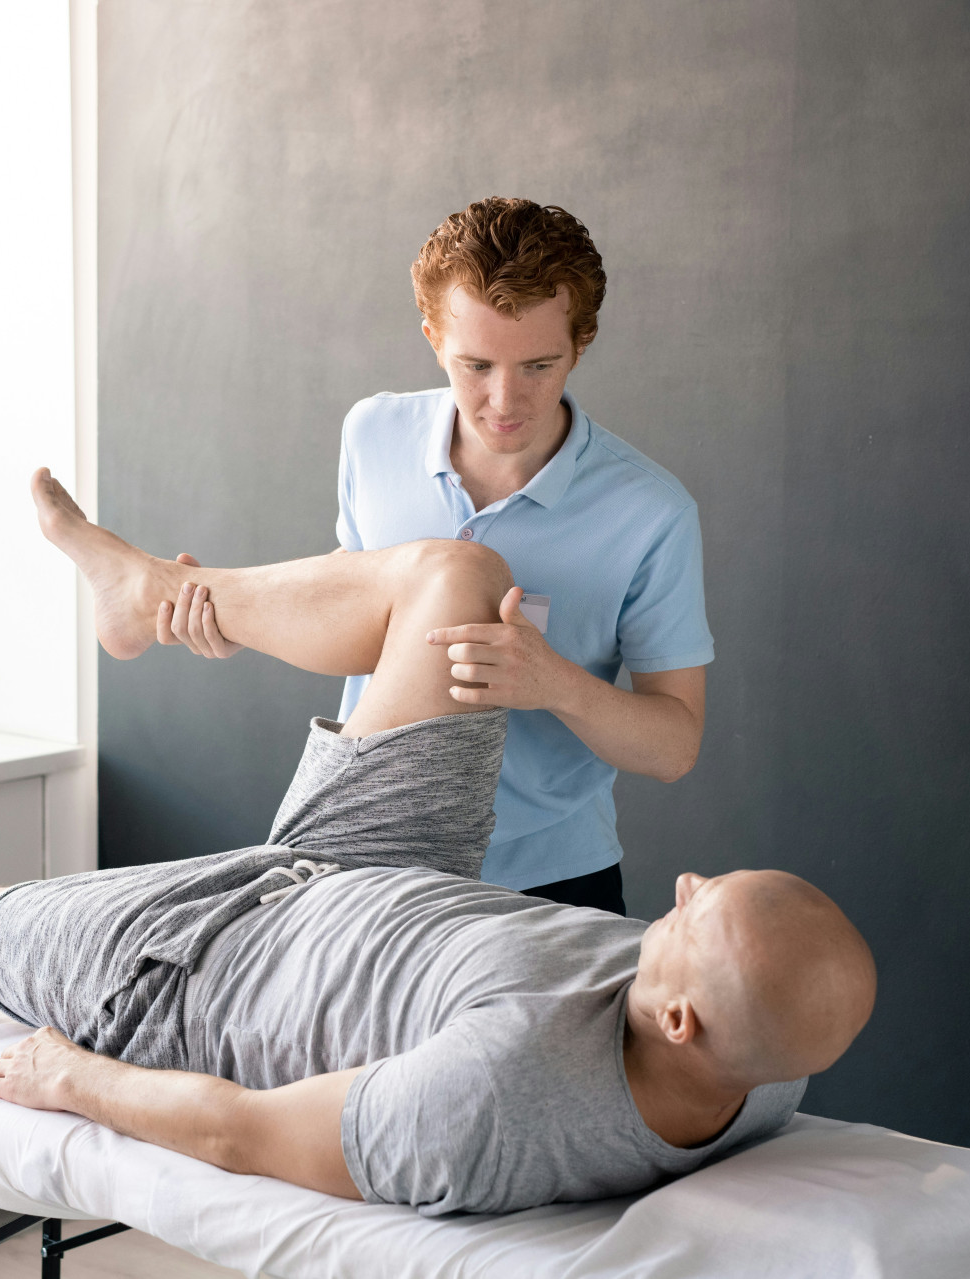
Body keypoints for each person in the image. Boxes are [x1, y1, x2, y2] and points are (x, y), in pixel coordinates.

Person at [0, 470, 874, 1216]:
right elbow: (768, 1002)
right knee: (454, 578)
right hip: (394, 869)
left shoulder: (490, 1104)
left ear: (680, 1020)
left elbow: (244, 1131)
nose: (682, 882)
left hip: (210, 963)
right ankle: (148, 594)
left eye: (694, 912)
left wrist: (78, 1081)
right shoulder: (768, 1064)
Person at [159, 197, 712, 916]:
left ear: (582, 343)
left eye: (539, 365)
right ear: (432, 338)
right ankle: (145, 593)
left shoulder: (652, 512)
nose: (504, 400)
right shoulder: (373, 432)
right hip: (376, 863)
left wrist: (555, 683)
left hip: (551, 885)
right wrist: (247, 622)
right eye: (475, 365)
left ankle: (139, 587)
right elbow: (363, 614)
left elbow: (675, 745)